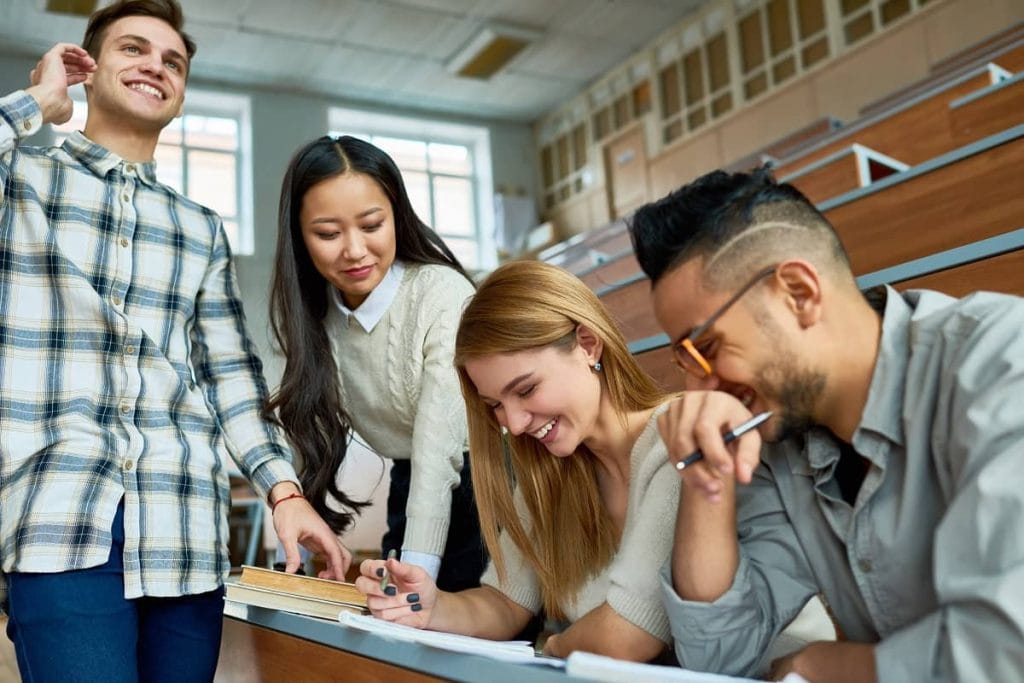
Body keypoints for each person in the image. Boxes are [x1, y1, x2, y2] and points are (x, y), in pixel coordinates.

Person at [0, 2, 348, 680]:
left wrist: (283, 490)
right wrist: (38, 100)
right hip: (61, 522)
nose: (155, 66)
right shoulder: (24, 184)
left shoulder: (200, 227)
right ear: (90, 70)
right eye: (133, 49)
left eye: (173, 62)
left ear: (181, 95)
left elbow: (230, 375)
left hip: (186, 528)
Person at [628, 167, 1024, 681]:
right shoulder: (776, 439)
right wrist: (709, 471)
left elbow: (1001, 652)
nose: (702, 390)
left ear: (798, 292)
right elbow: (719, 654)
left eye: (706, 350)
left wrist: (821, 665)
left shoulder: (1000, 364)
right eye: (686, 364)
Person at [353, 260, 682, 661]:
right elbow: (505, 603)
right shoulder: (550, 472)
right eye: (495, 405)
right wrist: (427, 605)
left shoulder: (674, 440)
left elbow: (629, 636)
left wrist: (555, 645)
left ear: (588, 344)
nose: (515, 423)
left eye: (526, 390)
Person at [266, 135, 485, 591]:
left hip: (493, 484)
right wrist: (305, 548)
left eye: (371, 224)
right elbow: (308, 431)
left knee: (436, 615)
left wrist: (417, 574)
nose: (354, 250)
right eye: (328, 234)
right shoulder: (314, 316)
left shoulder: (441, 295)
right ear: (300, 237)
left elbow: (438, 450)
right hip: (412, 482)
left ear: (397, 217)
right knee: (390, 621)